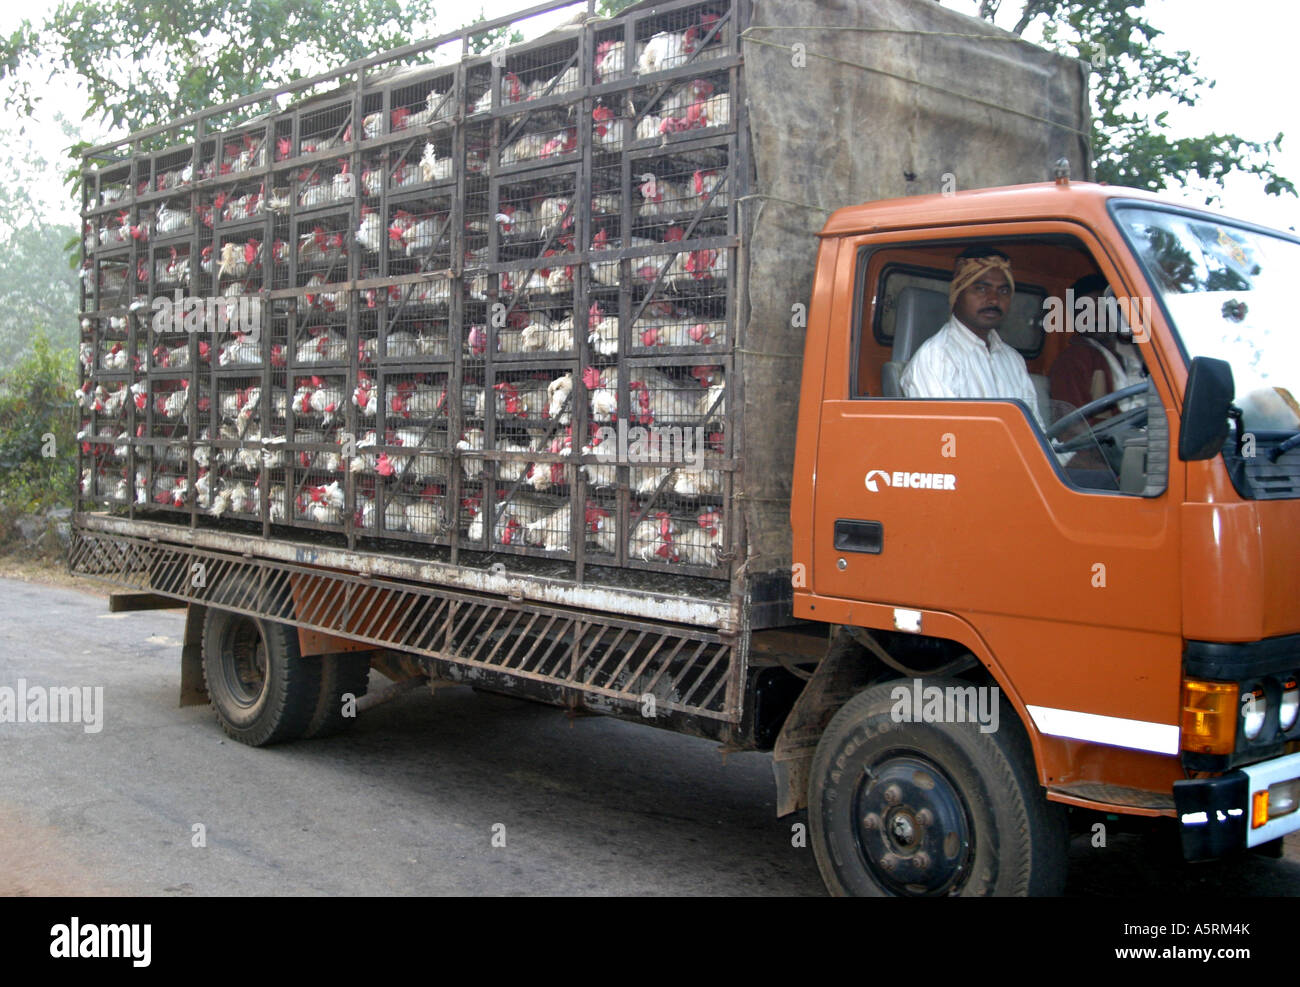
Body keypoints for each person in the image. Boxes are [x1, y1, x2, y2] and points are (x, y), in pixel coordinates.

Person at [900, 246, 1043, 428]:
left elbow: (1036, 431)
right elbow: (946, 442)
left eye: (1003, 291)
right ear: (958, 294)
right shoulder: (936, 359)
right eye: (981, 289)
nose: (994, 300)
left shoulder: (1013, 360)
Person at [1048, 273, 1145, 415]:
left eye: (1102, 309)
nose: (1097, 317)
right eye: (1086, 312)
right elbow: (1074, 427)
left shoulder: (1135, 354)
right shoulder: (1073, 361)